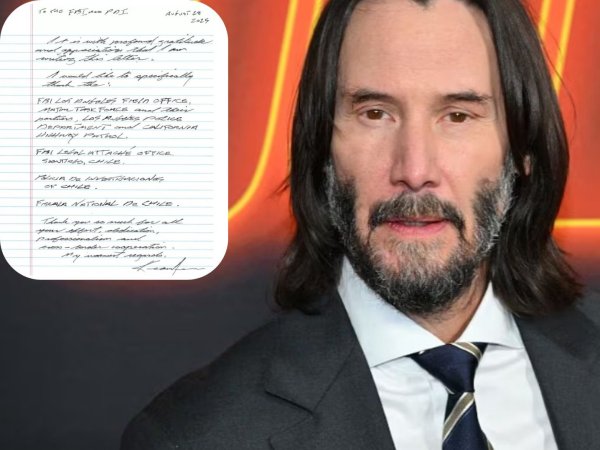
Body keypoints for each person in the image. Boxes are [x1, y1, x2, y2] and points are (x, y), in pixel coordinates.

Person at [121, 0, 600, 449]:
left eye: (457, 116)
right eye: (375, 114)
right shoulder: (198, 435)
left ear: (523, 149)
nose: (414, 169)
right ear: (321, 148)